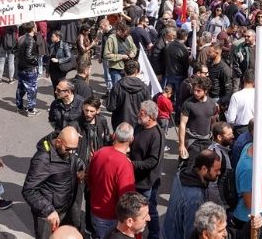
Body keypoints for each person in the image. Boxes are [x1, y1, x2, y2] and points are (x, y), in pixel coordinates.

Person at [23, 126, 84, 238]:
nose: (71, 152)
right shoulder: (42, 160)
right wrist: (48, 210)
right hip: (49, 215)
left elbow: (76, 161)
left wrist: (81, 169)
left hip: (66, 208)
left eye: (73, 149)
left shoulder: (67, 148)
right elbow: (29, 190)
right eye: (68, 149)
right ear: (59, 142)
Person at [87, 122, 136, 238]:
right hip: (110, 217)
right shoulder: (125, 165)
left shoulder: (99, 153)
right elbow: (126, 199)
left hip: (95, 210)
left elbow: (89, 179)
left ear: (114, 135)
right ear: (131, 139)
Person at [163, 149, 222, 239]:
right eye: (216, 170)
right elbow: (191, 233)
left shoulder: (182, 174)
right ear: (204, 169)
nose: (219, 173)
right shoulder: (195, 200)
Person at [130, 100, 164, 239]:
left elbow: (152, 161)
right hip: (135, 178)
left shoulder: (157, 135)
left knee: (149, 210)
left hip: (147, 182)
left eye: (142, 113)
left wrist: (132, 164)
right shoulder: (140, 126)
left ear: (150, 116)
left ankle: (154, 235)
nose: (138, 114)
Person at [107, 59, 149, 129]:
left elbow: (111, 107)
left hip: (120, 124)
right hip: (138, 125)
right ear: (137, 71)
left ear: (124, 70)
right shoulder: (144, 88)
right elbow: (148, 108)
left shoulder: (118, 86)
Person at [77, 96, 113, 165]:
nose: (88, 114)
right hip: (82, 163)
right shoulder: (76, 124)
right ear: (83, 108)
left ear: (98, 110)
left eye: (92, 111)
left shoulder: (102, 121)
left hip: (99, 160)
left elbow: (107, 140)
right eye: (86, 110)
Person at [16, 22, 41, 116]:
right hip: (29, 68)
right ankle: (31, 109)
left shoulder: (21, 37)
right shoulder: (30, 40)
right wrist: (35, 62)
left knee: (21, 88)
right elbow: (29, 56)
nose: (37, 28)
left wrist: (21, 58)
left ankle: (19, 107)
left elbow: (15, 50)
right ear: (33, 28)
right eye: (35, 26)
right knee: (32, 89)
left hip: (21, 67)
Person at [225, 69, 254, 136]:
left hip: (241, 131)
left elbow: (231, 119)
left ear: (243, 79)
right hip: (256, 129)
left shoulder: (236, 96)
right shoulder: (259, 95)